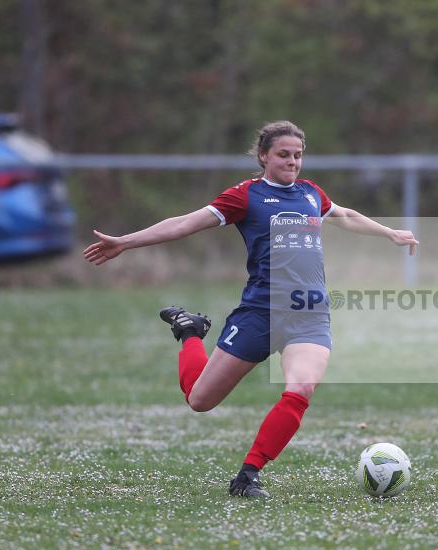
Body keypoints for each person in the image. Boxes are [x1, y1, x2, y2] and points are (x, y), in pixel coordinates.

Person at [84, 120, 418, 498]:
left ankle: (248, 474)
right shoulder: (246, 196)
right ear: (263, 156)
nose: (293, 162)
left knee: (301, 387)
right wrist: (125, 243)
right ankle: (190, 332)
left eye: (298, 155)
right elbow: (184, 224)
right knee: (200, 400)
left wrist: (389, 232)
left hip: (309, 315)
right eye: (283, 155)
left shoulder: (311, 194)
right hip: (260, 313)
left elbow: (345, 215)